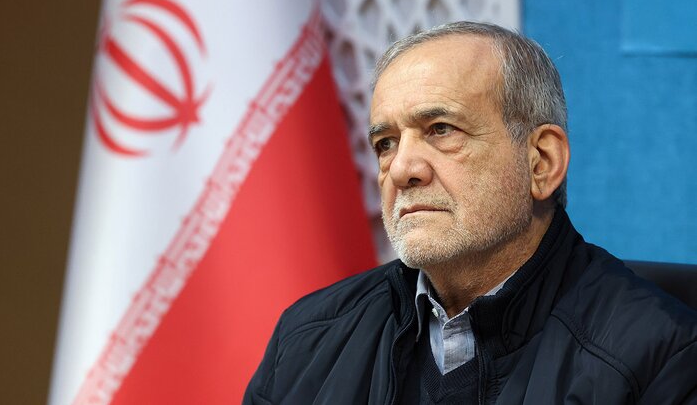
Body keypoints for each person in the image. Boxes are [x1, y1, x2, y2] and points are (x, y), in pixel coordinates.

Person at [243, 21, 697, 404]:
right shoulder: (305, 340)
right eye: (386, 143)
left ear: (541, 162)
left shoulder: (661, 356)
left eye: (441, 130)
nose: (401, 169)